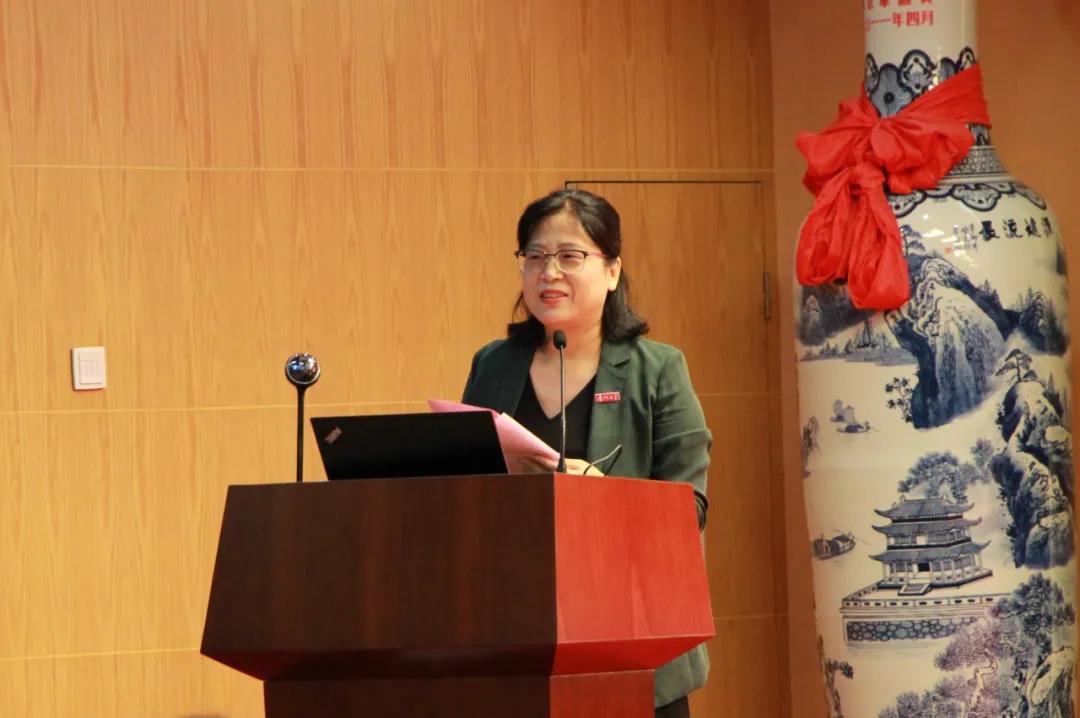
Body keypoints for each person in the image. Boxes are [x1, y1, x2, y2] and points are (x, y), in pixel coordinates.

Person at [461, 188, 711, 717]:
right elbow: (464, 489)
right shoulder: (493, 365)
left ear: (613, 270)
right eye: (535, 256)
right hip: (516, 632)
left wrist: (602, 495)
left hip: (633, 640)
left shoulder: (657, 369)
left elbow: (689, 510)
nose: (549, 272)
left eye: (570, 256)